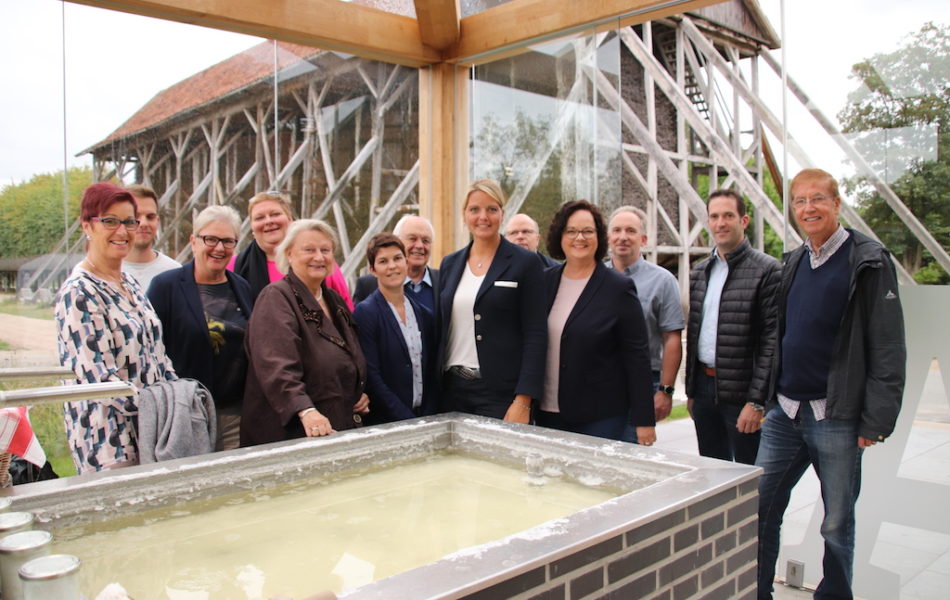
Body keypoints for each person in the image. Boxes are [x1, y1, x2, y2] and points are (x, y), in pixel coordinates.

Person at [757, 169, 906, 600]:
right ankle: (756, 592)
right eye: (800, 201)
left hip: (836, 416)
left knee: (837, 523)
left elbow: (889, 344)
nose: (808, 209)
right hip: (785, 412)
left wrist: (875, 419)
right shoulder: (794, 261)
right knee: (762, 509)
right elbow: (781, 336)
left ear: (837, 204)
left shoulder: (869, 260)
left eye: (817, 199)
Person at [54, 182, 176, 474]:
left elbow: (157, 354)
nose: (122, 232)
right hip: (109, 439)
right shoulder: (79, 292)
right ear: (87, 225)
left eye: (128, 222)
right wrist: (159, 409)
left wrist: (179, 397)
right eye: (109, 221)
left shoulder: (130, 283)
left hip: (150, 432)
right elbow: (97, 379)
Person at [241, 219, 369, 446]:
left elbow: (347, 355)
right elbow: (276, 365)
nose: (319, 257)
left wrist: (358, 391)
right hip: (290, 435)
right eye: (309, 250)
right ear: (289, 254)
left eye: (325, 250)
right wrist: (305, 409)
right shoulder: (276, 298)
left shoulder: (335, 301)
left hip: (334, 426)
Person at [537, 201, 655, 442]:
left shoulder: (618, 287)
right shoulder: (544, 282)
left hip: (601, 417)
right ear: (560, 236)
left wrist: (644, 420)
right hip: (548, 413)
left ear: (599, 237)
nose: (579, 238)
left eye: (588, 231)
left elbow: (637, 356)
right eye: (571, 231)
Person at [685, 189, 781, 465]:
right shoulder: (699, 271)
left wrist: (757, 402)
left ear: (744, 221)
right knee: (711, 472)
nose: (720, 223)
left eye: (728, 215)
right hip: (704, 388)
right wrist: (692, 391)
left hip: (743, 394)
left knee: (749, 477)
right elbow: (694, 333)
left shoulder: (768, 271)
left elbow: (771, 342)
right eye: (714, 216)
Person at [438, 179, 546, 423]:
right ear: (464, 215)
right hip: (452, 391)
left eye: (491, 209)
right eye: (474, 209)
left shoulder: (525, 263)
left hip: (500, 395)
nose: (483, 217)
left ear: (502, 214)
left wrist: (523, 400)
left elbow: (536, 334)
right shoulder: (450, 264)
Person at [148, 205, 254, 451]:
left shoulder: (242, 287)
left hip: (234, 413)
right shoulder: (166, 287)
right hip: (187, 412)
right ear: (194, 241)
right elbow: (151, 350)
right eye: (211, 239)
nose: (219, 248)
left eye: (228, 241)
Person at [607, 206, 685, 439]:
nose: (623, 236)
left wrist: (666, 391)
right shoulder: (594, 276)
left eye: (630, 231)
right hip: (599, 381)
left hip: (642, 382)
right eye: (617, 230)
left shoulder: (662, 281)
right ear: (608, 237)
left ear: (643, 239)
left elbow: (672, 338)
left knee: (634, 453)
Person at [353, 233, 438, 423]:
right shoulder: (366, 313)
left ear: (406, 263)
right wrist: (405, 419)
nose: (392, 266)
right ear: (373, 270)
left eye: (397, 258)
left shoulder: (423, 314)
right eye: (383, 261)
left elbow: (431, 369)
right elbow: (372, 376)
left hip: (423, 417)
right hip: (387, 420)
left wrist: (427, 416)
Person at [230, 191, 354, 308]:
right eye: (259, 218)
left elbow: (345, 311)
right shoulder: (234, 265)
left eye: (275, 214)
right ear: (252, 228)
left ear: (290, 220)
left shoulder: (319, 262)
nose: (268, 221)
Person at [352, 215, 441, 312]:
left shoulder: (445, 281)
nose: (419, 245)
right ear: (396, 241)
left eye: (426, 241)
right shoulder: (368, 285)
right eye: (412, 239)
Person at [121, 184, 179, 289]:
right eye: (135, 216)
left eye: (150, 217)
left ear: (157, 221)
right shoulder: (101, 272)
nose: (144, 223)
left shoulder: (175, 272)